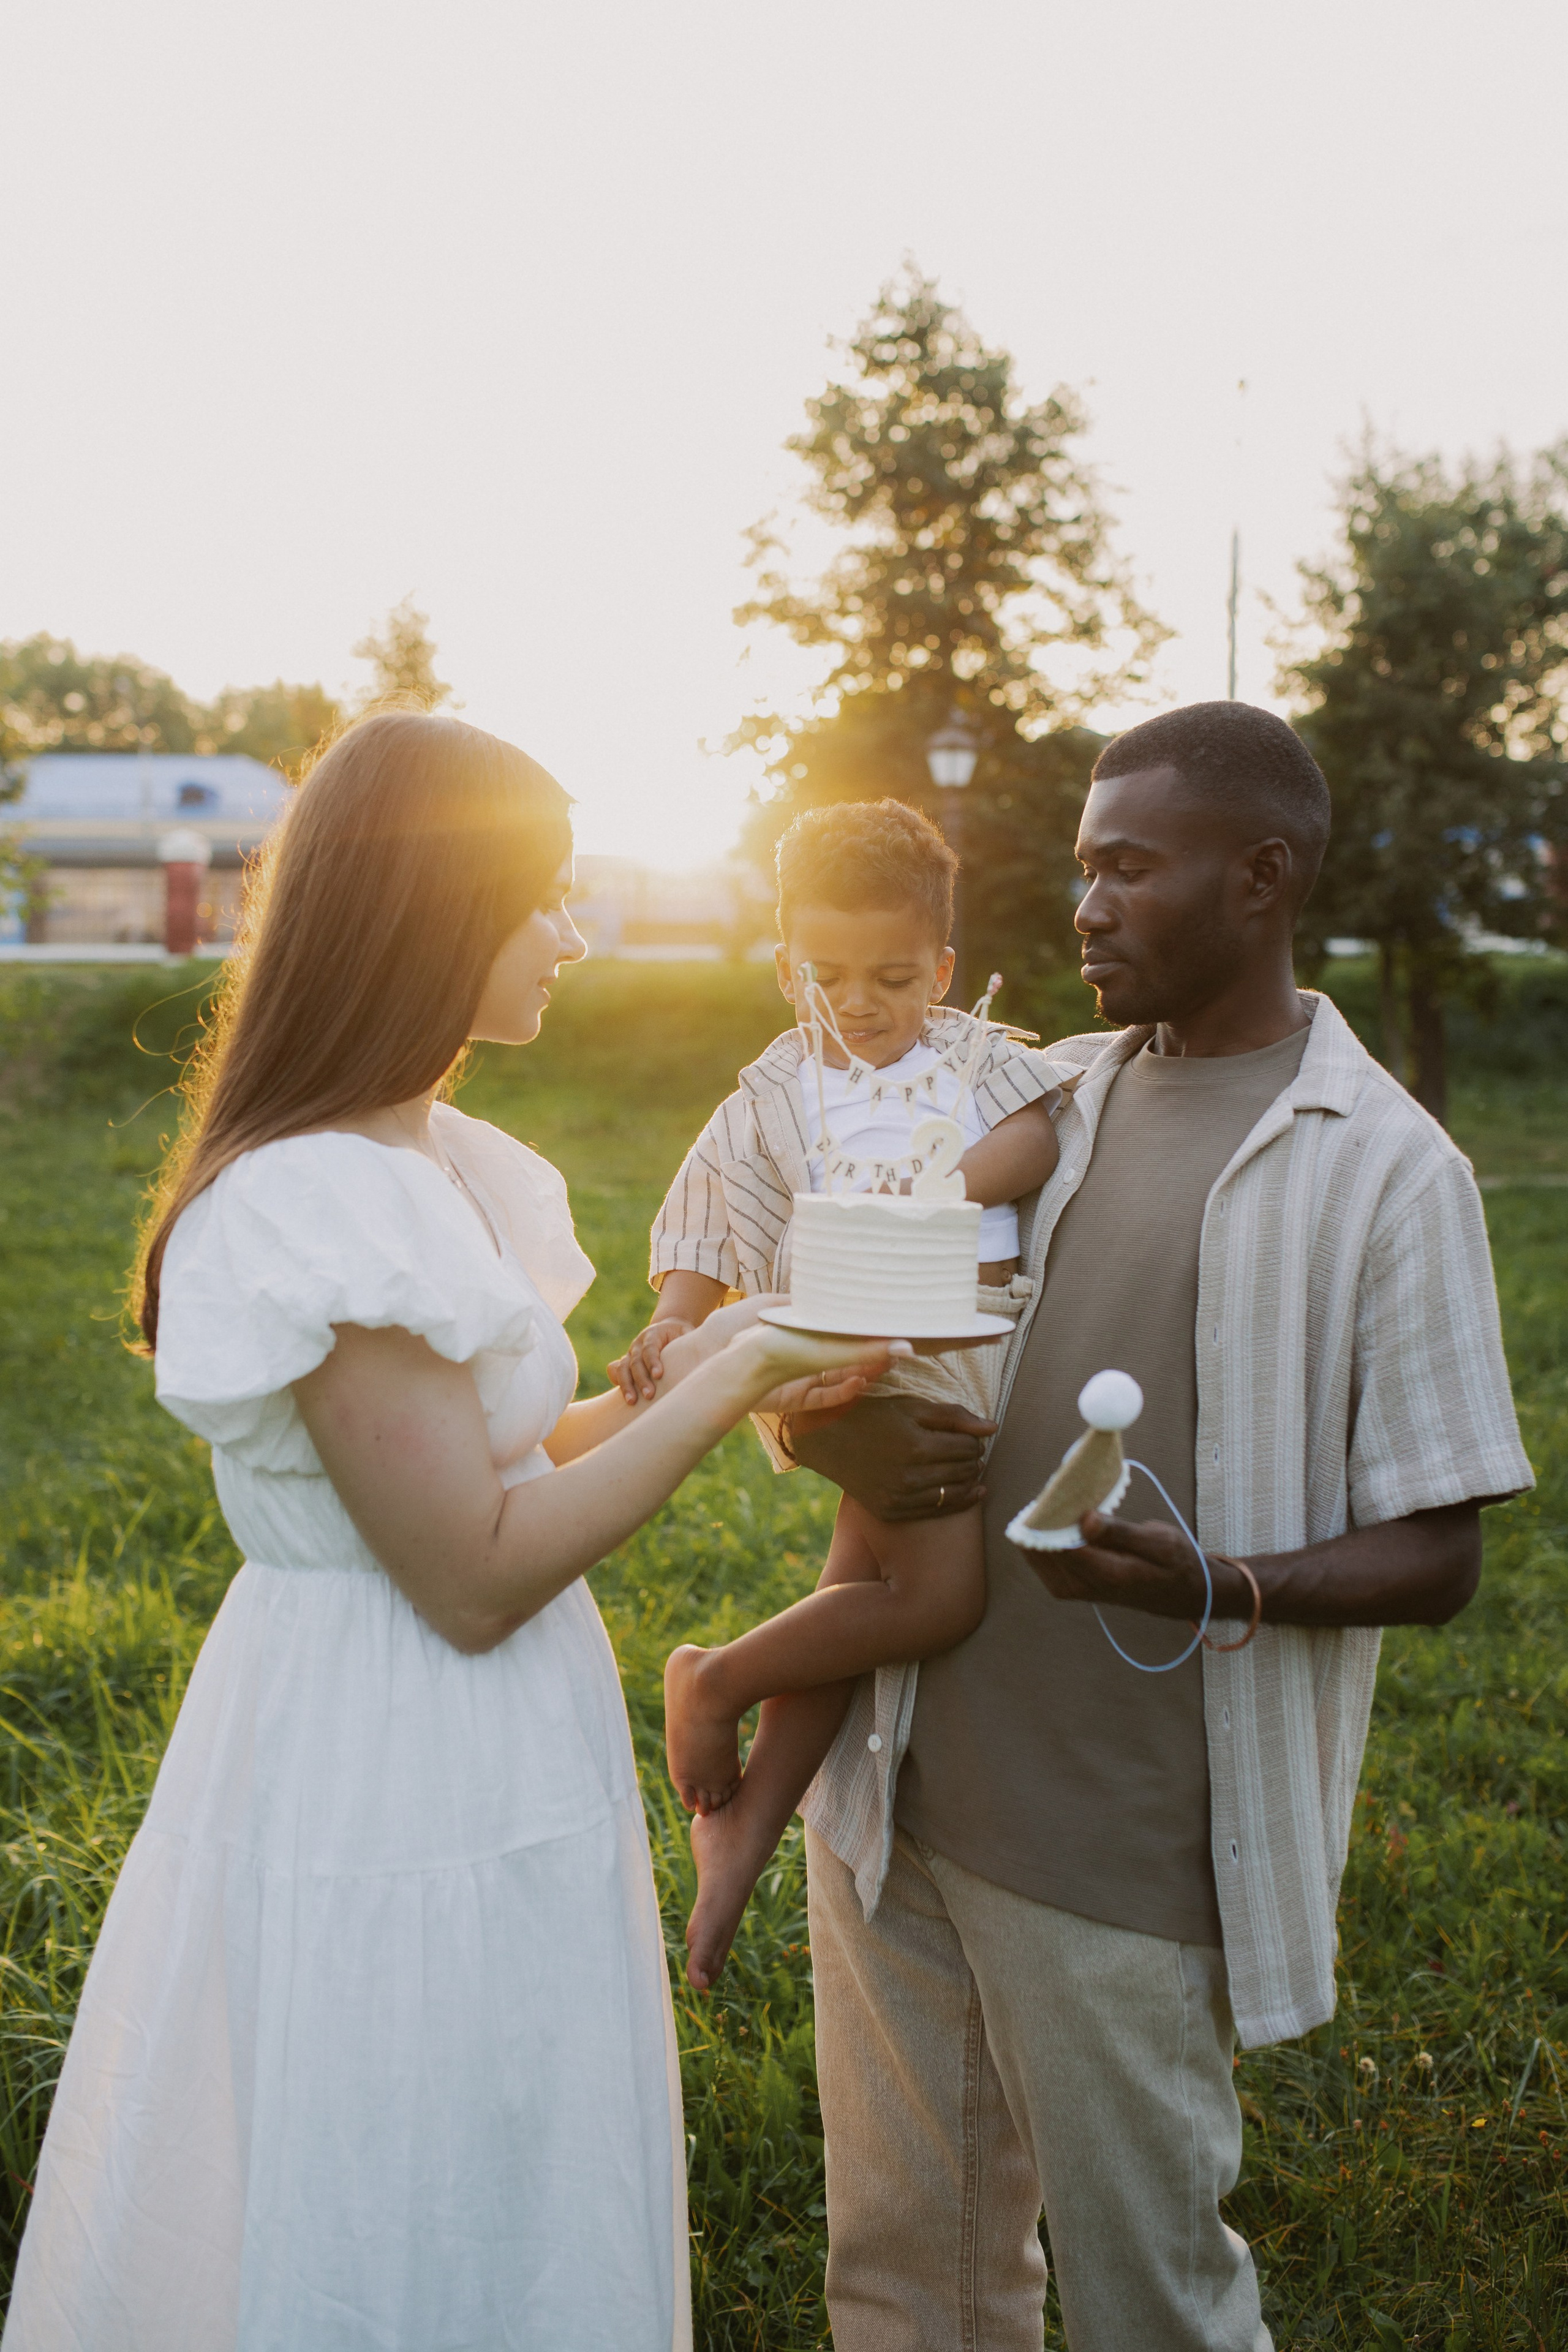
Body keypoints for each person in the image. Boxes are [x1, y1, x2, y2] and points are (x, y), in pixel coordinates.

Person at [3, 711, 898, 2352]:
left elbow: (502, 1454)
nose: (575, 931)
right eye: (544, 897)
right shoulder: (314, 1197)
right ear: (429, 914)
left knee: (506, 2136)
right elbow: (474, 1571)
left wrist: (693, 1365)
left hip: (494, 1743)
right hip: (385, 1742)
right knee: (397, 2150)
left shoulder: (448, 1163)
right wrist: (740, 1378)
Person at [783, 703, 1535, 2351]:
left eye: (1130, 867)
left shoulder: (1394, 1175)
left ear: (1261, 880)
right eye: (1080, 870)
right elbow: (877, 1330)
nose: (1086, 907)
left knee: (1156, 2309)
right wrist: (812, 1406)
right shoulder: (1043, 1096)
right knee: (904, 2285)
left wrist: (1218, 1580)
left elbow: (1442, 1550)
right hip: (897, 1795)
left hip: (1123, 1862)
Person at [609, 799, 1060, 1988]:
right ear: (782, 968)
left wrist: (938, 1174)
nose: (860, 1004)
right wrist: (670, 1322)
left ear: (942, 970)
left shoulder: (968, 1057)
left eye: (893, 976)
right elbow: (710, 1210)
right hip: (870, 1358)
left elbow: (1033, 1139)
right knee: (937, 1599)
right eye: (828, 975)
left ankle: (742, 1836)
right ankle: (716, 1677)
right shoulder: (778, 1089)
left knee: (858, 1593)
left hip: (972, 1340)